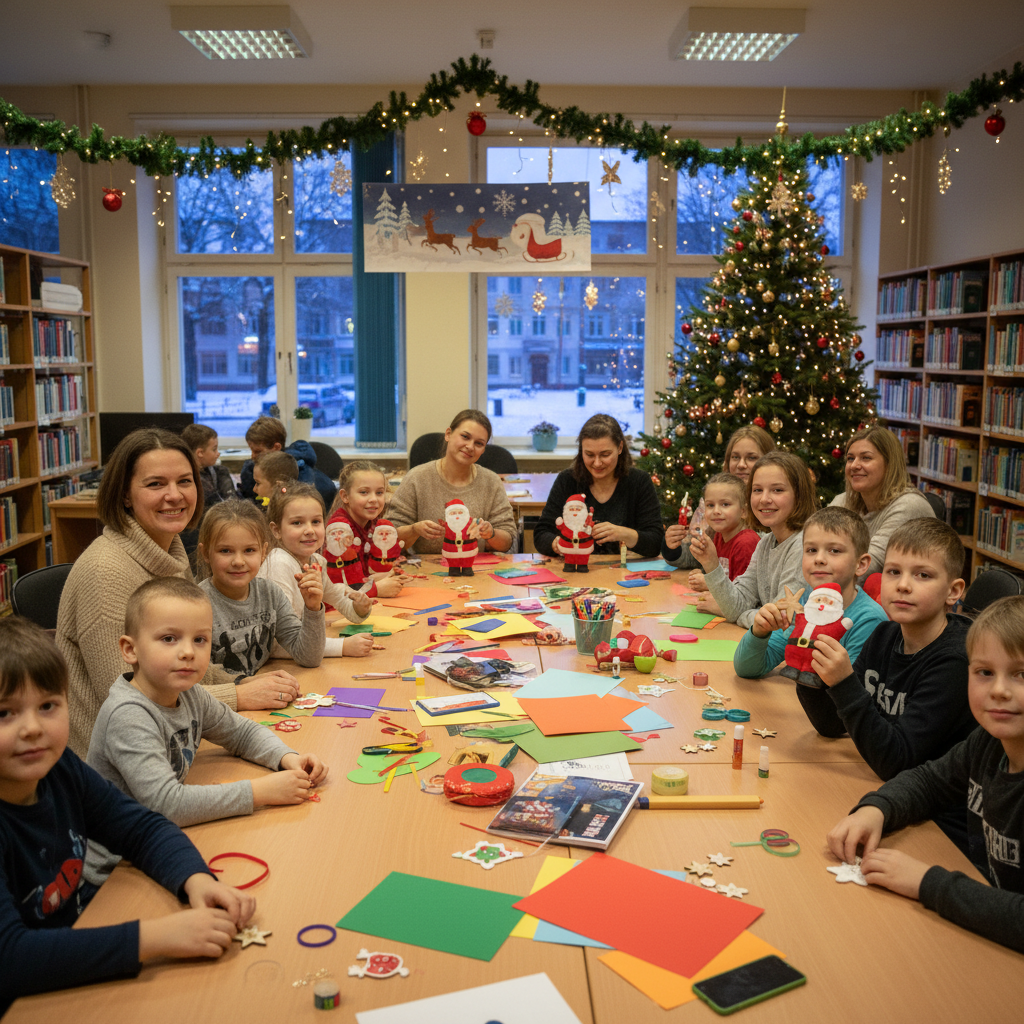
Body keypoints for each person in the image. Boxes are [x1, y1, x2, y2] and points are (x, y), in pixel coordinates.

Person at [0, 616, 255, 1013]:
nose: (32, 728)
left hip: (73, 957)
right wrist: (153, 938)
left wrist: (195, 879)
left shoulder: (59, 769)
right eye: (5, 713)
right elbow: (12, 958)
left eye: (48, 705)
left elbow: (141, 827)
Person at [84, 577, 328, 884]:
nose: (188, 652)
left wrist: (287, 757)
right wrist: (260, 792)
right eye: (169, 639)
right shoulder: (129, 715)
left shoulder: (189, 693)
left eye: (200, 640)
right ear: (130, 650)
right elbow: (166, 804)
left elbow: (240, 733)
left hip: (157, 843)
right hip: (114, 871)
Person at [826, 594, 1024, 954]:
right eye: (984, 673)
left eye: (1020, 674)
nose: (998, 690)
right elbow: (930, 781)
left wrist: (926, 881)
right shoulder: (989, 742)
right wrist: (878, 808)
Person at [56, 428, 241, 758]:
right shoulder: (106, 572)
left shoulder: (170, 554)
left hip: (170, 742)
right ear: (126, 495)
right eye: (156, 484)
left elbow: (181, 660)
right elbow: (129, 693)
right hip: (113, 773)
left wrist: (240, 683)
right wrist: (238, 697)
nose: (175, 495)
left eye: (185, 481)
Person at [799, 518, 974, 844]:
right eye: (894, 572)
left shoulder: (954, 662)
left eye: (922, 575)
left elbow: (896, 761)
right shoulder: (884, 635)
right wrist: (808, 664)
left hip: (937, 824)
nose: (903, 585)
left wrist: (843, 683)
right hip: (885, 793)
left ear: (954, 591)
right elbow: (832, 725)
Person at [733, 506, 888, 683]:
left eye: (834, 551)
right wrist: (759, 633)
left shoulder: (869, 620)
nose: (819, 559)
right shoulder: (804, 603)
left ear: (860, 564)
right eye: (811, 550)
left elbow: (852, 693)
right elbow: (747, 669)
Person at [196, 500, 325, 681]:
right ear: (206, 553)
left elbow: (309, 657)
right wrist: (245, 684)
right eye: (225, 551)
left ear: (263, 552)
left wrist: (313, 608)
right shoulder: (195, 604)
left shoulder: (270, 593)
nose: (239, 561)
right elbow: (197, 677)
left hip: (259, 698)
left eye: (249, 550)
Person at [688, 451, 817, 628]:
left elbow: (781, 622)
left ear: (799, 495)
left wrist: (742, 615)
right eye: (757, 490)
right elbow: (736, 604)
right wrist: (711, 564)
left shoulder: (805, 546)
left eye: (777, 490)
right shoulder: (765, 543)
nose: (764, 499)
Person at [259, 483, 374, 657]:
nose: (310, 530)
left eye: (316, 522)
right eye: (297, 523)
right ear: (276, 530)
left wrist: (358, 608)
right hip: (278, 663)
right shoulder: (279, 564)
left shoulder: (316, 561)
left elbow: (334, 596)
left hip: (303, 654)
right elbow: (277, 641)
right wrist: (342, 646)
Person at [534, 414, 663, 559]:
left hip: (625, 574)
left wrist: (624, 534)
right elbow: (541, 534)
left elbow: (656, 543)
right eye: (589, 454)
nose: (597, 463)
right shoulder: (567, 480)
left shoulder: (639, 482)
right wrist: (557, 544)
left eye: (605, 454)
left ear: (620, 447)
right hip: (575, 572)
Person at [389, 410, 517, 556]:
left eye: (479, 443)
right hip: (424, 570)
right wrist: (414, 530)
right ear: (448, 434)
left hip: (474, 569)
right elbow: (390, 535)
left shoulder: (491, 482)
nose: (470, 446)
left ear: (483, 450)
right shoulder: (416, 478)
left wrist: (491, 533)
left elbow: (508, 542)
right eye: (465, 437)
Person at [830, 425, 935, 574]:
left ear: (889, 464)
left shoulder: (909, 506)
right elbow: (813, 548)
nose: (854, 465)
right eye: (850, 458)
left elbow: (869, 567)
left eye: (866, 458)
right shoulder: (842, 501)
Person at [325, 461, 406, 597]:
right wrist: (377, 589)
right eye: (364, 492)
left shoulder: (371, 523)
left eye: (379, 492)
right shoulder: (340, 530)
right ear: (345, 496)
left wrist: (383, 576)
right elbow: (338, 588)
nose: (374, 499)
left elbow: (360, 574)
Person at [663, 472, 758, 586]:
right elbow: (718, 571)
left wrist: (709, 583)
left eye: (725, 504)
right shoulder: (718, 536)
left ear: (743, 511)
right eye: (710, 505)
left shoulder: (746, 543)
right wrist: (704, 573)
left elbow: (744, 593)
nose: (716, 511)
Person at [238, 416, 336, 511]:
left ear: (276, 448)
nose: (253, 456)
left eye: (258, 451)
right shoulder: (255, 469)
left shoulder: (301, 476)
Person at [181, 423, 237, 507]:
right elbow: (227, 507)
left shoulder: (216, 471)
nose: (218, 453)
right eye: (214, 449)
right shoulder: (196, 481)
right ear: (200, 453)